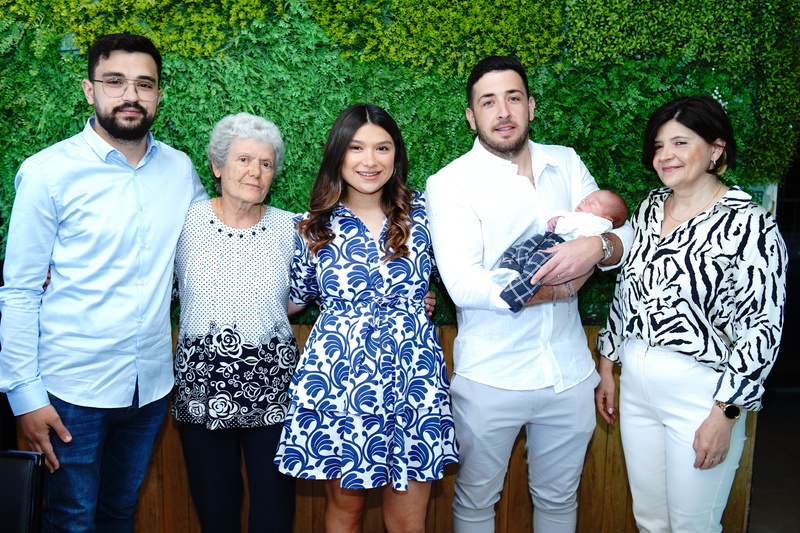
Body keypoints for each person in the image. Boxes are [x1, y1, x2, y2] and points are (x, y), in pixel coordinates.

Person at [0, 33, 208, 532]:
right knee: (69, 522)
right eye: (115, 81)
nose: (130, 95)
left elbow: (209, 248)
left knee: (119, 514)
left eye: (144, 84)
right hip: (70, 391)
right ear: (89, 89)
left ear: (159, 94)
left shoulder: (180, 171)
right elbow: (21, 291)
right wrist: (26, 396)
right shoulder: (47, 173)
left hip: (150, 389)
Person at [424, 55, 633, 533]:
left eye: (513, 98)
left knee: (559, 500)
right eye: (488, 102)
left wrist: (596, 247)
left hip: (568, 374)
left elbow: (621, 237)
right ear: (471, 116)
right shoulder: (450, 182)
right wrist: (560, 286)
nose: (503, 112)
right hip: (491, 378)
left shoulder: (567, 162)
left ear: (531, 106)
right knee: (476, 501)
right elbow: (464, 283)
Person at [595, 95, 787, 532]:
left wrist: (726, 413)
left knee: (692, 526)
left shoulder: (752, 223)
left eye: (680, 142)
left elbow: (763, 326)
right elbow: (628, 291)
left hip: (702, 394)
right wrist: (608, 363)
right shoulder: (649, 208)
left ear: (716, 148)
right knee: (650, 522)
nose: (666, 155)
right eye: (659, 146)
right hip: (637, 386)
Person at [275, 104, 457, 533]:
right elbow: (292, 299)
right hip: (339, 381)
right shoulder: (311, 226)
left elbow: (461, 273)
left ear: (396, 155)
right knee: (346, 513)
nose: (370, 160)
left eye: (382, 148)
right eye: (356, 147)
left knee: (408, 523)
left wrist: (416, 300)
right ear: (338, 154)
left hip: (413, 377)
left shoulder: (425, 215)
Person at [172, 113, 299, 532]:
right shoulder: (184, 222)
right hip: (202, 386)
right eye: (244, 159)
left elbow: (311, 291)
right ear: (217, 165)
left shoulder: (291, 228)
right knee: (215, 509)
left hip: (273, 386)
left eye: (265, 164)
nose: (255, 172)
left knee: (275, 511)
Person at [500, 190, 628, 311]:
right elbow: (557, 219)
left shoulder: (600, 223)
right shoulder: (578, 216)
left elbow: (576, 227)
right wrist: (554, 219)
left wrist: (561, 222)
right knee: (516, 250)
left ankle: (514, 296)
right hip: (546, 239)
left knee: (535, 270)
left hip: (558, 250)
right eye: (585, 199)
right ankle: (508, 270)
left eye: (593, 203)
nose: (584, 201)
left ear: (607, 219)